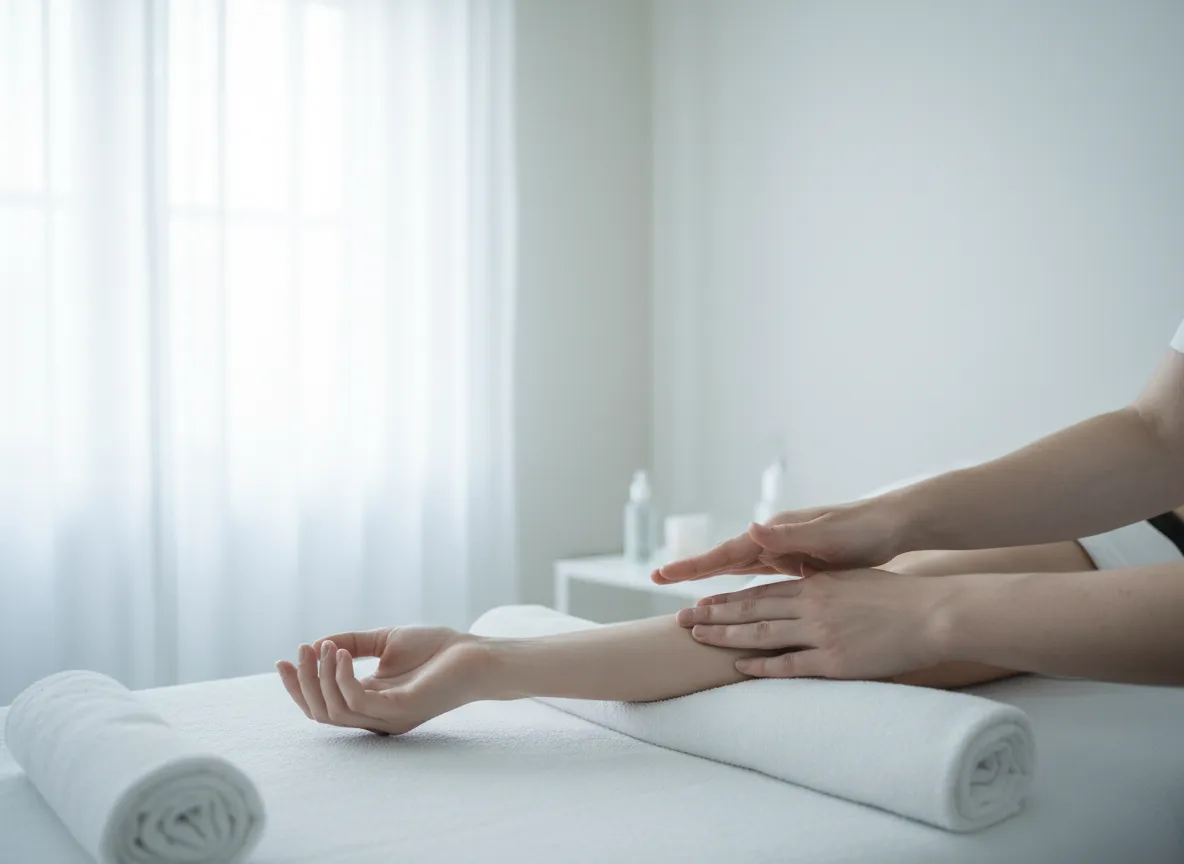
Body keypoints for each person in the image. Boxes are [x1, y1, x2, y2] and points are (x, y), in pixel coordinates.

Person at [277, 319, 1184, 734]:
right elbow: (1161, 434)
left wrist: (929, 617)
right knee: (812, 615)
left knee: (879, 627)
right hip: (1158, 526)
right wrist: (891, 520)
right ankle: (493, 660)